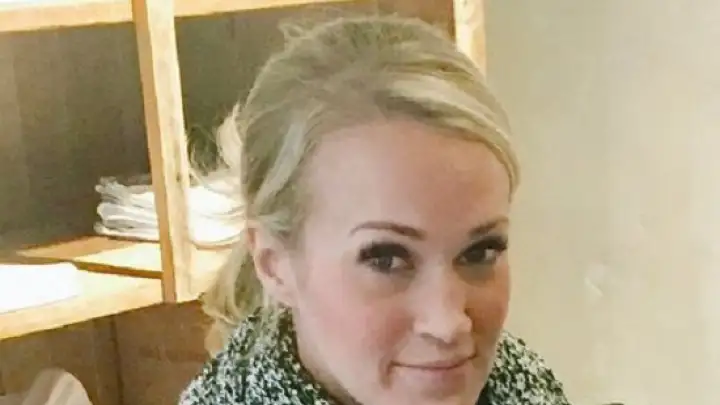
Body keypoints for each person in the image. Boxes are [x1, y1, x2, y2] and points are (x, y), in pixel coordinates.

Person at [180, 13, 571, 405]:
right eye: (386, 259)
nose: (448, 323)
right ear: (274, 264)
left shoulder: (526, 388)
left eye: (480, 252)